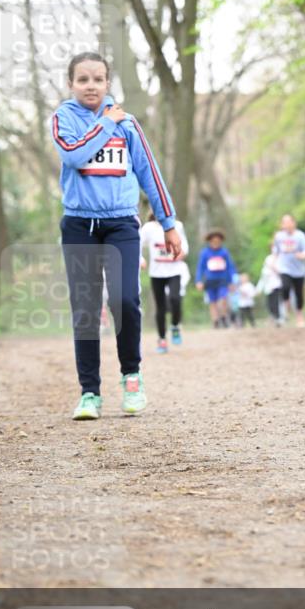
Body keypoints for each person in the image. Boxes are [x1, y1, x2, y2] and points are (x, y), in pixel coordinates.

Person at [53, 51, 182, 420]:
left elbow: (149, 172)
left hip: (123, 223)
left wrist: (168, 222)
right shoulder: (64, 118)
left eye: (97, 79)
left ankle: (131, 376)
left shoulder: (128, 124)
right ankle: (90, 393)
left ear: (108, 83)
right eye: (83, 79)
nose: (90, 85)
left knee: (125, 300)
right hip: (79, 225)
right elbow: (75, 155)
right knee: (86, 310)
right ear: (71, 84)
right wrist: (106, 124)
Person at [140, 213, 189, 352]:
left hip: (174, 270)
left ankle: (175, 325)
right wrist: (140, 258)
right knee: (160, 307)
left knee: (175, 299)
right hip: (156, 273)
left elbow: (185, 246)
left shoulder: (177, 225)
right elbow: (137, 243)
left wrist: (182, 253)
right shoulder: (148, 227)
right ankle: (162, 339)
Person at [272, 214, 305, 327]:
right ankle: (286, 307)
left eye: (289, 222)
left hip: (299, 269)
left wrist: (303, 255)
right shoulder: (279, 236)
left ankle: (299, 316)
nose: (286, 224)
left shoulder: (300, 236)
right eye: (284, 222)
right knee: (285, 287)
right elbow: (275, 251)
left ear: (294, 223)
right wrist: (274, 263)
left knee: (299, 293)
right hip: (284, 267)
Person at [195, 229, 236, 328]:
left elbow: (230, 267)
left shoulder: (224, 252)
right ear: (209, 242)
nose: (216, 244)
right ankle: (215, 321)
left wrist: (232, 282)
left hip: (222, 279)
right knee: (212, 302)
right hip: (210, 280)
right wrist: (198, 280)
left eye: (218, 242)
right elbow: (200, 267)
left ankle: (223, 317)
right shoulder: (205, 253)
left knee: (223, 299)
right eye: (213, 242)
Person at [256, 246, 283, 325]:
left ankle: (278, 317)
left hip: (277, 285)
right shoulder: (268, 261)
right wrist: (259, 289)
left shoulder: (281, 259)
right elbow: (263, 278)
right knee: (269, 303)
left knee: (276, 302)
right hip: (268, 287)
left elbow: (283, 273)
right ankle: (273, 317)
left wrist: (275, 269)